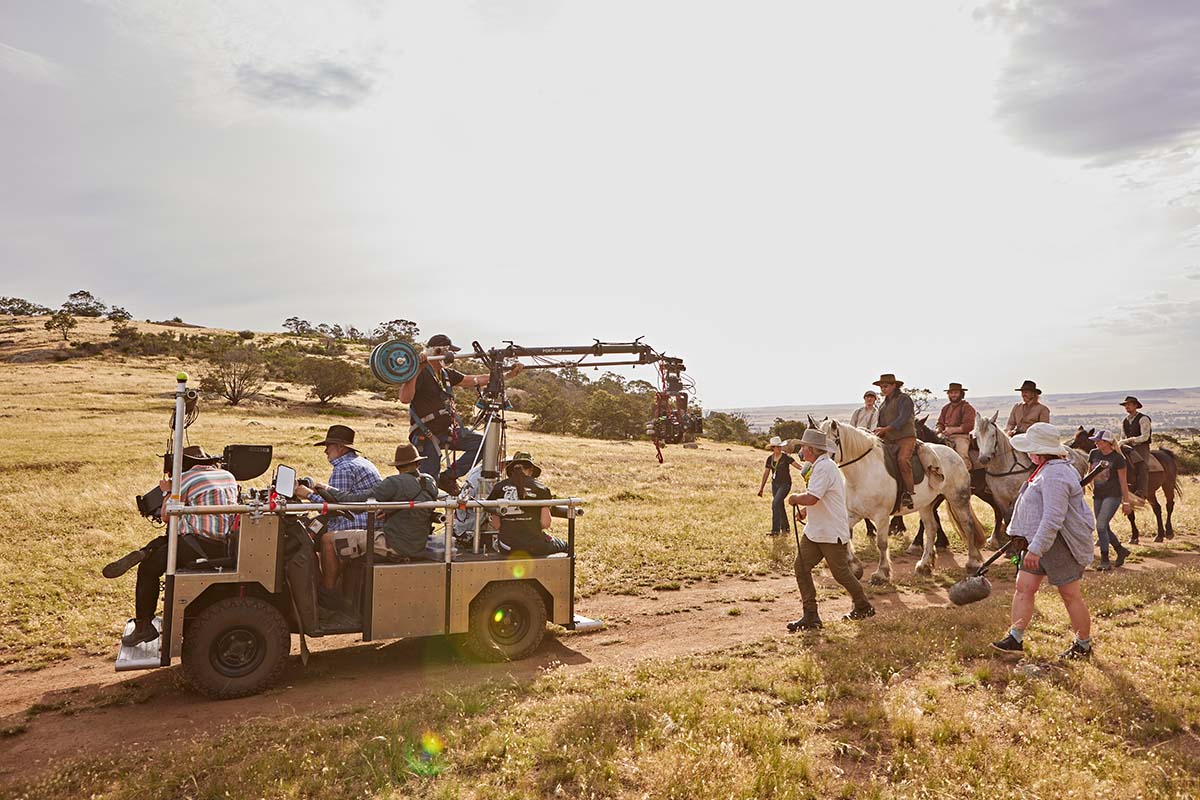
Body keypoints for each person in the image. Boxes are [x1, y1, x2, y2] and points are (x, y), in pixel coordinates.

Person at [104, 446, 238, 647]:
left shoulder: (185, 479)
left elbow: (167, 516)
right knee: (168, 541)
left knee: (148, 570)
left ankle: (144, 627)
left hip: (199, 545)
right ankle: (147, 551)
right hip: (223, 542)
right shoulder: (228, 475)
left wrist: (167, 491)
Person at [991, 423, 1096, 660]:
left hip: (1058, 544)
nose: (1027, 453)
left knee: (1070, 595)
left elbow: (1053, 518)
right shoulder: (1044, 469)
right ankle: (1015, 638)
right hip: (1035, 541)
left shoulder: (1056, 475)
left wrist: (1036, 549)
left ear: (1041, 450)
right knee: (1024, 588)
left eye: (1031, 448)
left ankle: (1083, 645)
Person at [398, 333, 524, 493]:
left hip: (446, 431)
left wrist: (506, 375)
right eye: (449, 351)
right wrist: (417, 369)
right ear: (438, 351)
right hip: (427, 434)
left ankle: (449, 477)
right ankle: (425, 512)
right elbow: (404, 398)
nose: (453, 356)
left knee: (482, 443)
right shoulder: (422, 373)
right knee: (428, 483)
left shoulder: (445, 374)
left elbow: (473, 380)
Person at [785, 429, 874, 630]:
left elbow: (812, 497)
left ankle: (863, 606)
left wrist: (796, 499)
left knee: (841, 574)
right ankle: (810, 615)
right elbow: (818, 497)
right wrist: (806, 512)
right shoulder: (820, 466)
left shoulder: (824, 468)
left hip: (830, 532)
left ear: (812, 450)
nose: (802, 450)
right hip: (816, 530)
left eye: (804, 447)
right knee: (801, 567)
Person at [296, 443, 439, 562]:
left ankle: (328, 591)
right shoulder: (429, 481)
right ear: (418, 463)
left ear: (397, 466)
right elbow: (415, 503)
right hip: (418, 543)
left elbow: (356, 504)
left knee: (328, 539)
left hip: (394, 543)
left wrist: (327, 489)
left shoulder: (394, 482)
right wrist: (389, 509)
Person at [310, 425, 381, 596]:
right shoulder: (360, 462)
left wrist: (308, 495)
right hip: (367, 517)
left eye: (329, 446)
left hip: (358, 519)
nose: (326, 451)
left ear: (340, 448)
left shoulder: (343, 468)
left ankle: (328, 591)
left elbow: (336, 507)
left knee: (326, 539)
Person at [487, 452, 567, 556]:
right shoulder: (541, 489)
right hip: (535, 546)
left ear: (511, 470)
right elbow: (545, 523)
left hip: (506, 547)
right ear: (531, 470)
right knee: (565, 545)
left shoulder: (498, 487)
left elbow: (496, 524)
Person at [1087, 430, 1133, 571]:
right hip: (1098, 494)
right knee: (1104, 527)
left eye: (1099, 441)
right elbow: (1089, 475)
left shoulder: (1118, 459)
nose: (1096, 443)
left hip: (1113, 495)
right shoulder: (1094, 454)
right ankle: (1120, 550)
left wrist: (1126, 502)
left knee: (1100, 526)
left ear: (1107, 442)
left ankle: (1105, 560)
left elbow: (1123, 482)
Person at [872, 373, 916, 508]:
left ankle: (909, 493)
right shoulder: (883, 405)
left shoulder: (904, 399)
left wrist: (886, 429)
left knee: (902, 460)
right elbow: (880, 423)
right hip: (888, 439)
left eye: (885, 386)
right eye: (881, 387)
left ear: (894, 386)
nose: (883, 389)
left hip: (905, 438)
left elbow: (903, 419)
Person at [758, 435, 803, 535]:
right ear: (772, 448)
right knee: (779, 505)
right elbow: (766, 473)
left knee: (775, 504)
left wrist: (807, 470)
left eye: (780, 446)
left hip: (785, 484)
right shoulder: (770, 459)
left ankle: (775, 530)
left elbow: (798, 466)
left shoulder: (786, 457)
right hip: (775, 484)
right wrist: (761, 488)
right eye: (777, 446)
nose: (779, 448)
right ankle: (785, 528)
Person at [1117, 396, 1152, 499]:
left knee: (1143, 466)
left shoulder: (1143, 419)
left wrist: (1129, 440)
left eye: (1129, 404)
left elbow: (1145, 437)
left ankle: (1142, 491)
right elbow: (1122, 436)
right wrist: (1121, 443)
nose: (1126, 407)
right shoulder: (1125, 421)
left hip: (1141, 447)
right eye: (1125, 405)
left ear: (1136, 405)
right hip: (1127, 447)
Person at [936, 382, 976, 466]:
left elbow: (969, 426)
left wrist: (952, 430)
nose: (953, 395)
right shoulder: (945, 408)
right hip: (945, 436)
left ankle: (967, 474)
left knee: (962, 455)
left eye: (956, 393)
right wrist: (938, 430)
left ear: (961, 394)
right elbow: (940, 423)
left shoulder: (967, 407)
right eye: (951, 393)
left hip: (961, 437)